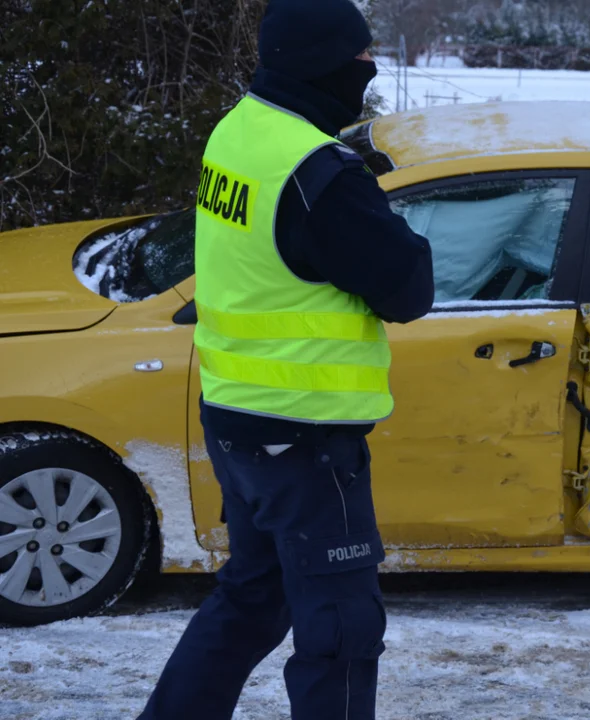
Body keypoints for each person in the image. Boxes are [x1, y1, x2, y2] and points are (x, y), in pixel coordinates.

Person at [138, 0, 433, 717]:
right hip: (303, 437)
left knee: (255, 596)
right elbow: (407, 288)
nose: (368, 70)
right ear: (326, 64)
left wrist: (345, 175)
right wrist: (362, 193)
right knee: (340, 629)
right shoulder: (320, 174)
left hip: (238, 416)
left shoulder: (242, 130)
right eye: (361, 59)